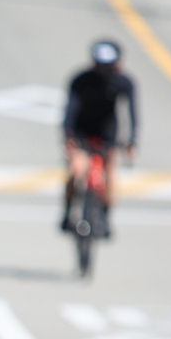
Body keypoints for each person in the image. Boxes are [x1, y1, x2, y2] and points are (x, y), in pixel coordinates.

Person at [61, 39, 137, 235]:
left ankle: (105, 217)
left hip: (108, 136)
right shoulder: (81, 80)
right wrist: (68, 136)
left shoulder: (123, 82)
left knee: (110, 171)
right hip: (82, 133)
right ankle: (68, 213)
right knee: (76, 170)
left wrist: (132, 141)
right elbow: (70, 110)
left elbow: (132, 113)